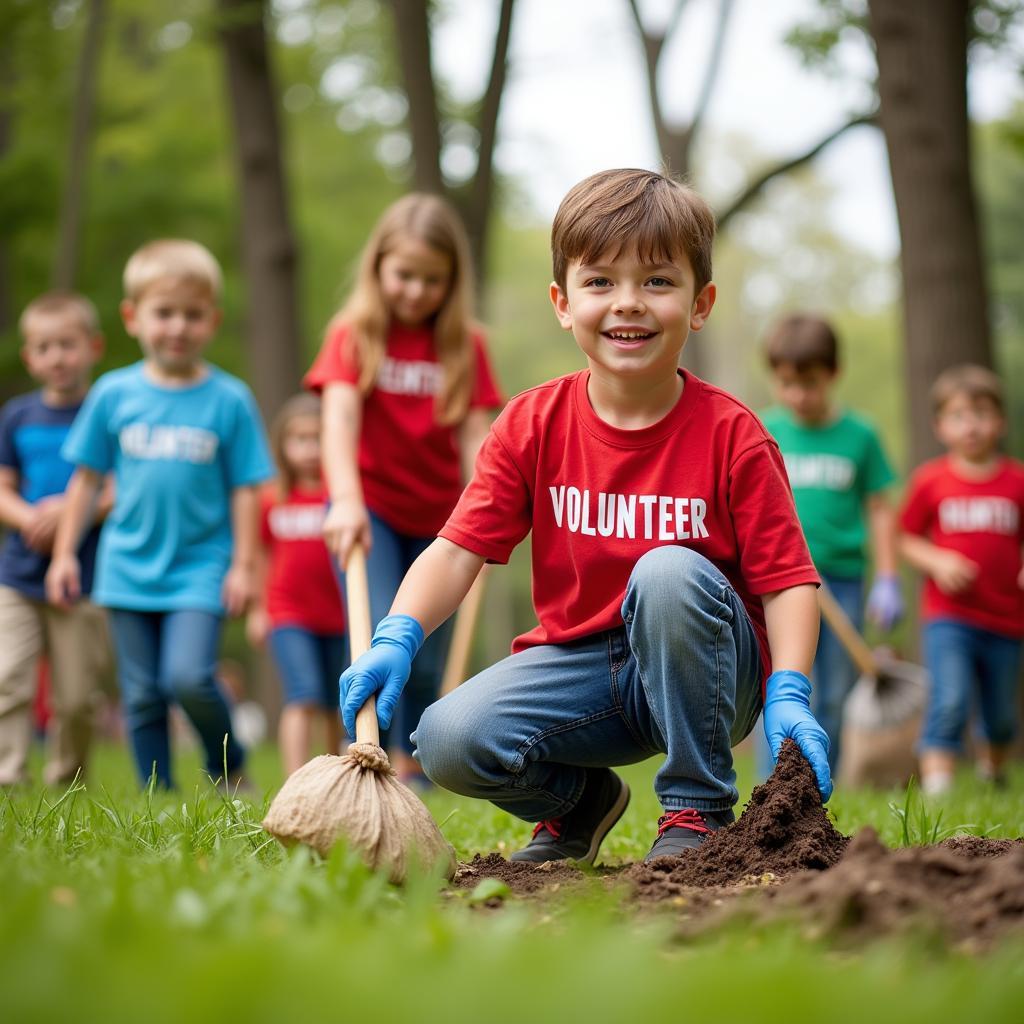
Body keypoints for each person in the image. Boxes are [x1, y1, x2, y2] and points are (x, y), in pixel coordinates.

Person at [339, 168, 831, 865]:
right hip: (587, 672)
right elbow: (456, 550)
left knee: (666, 573)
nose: (627, 303)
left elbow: (787, 581)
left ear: (700, 303)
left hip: (711, 672)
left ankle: (696, 808)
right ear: (563, 303)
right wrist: (397, 636)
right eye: (600, 281)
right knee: (446, 739)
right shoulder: (532, 423)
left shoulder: (734, 436)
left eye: (658, 282)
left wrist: (790, 689)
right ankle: (578, 806)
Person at [46, 240, 273, 789]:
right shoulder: (112, 394)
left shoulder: (229, 399)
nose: (178, 327)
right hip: (125, 566)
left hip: (200, 564)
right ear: (132, 318)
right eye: (163, 313)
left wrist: (245, 565)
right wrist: (63, 555)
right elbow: (86, 480)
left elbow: (246, 489)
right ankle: (158, 797)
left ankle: (229, 765)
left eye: (193, 315)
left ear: (212, 320)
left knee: (188, 676)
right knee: (142, 693)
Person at [305, 193, 502, 783]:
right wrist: (344, 499)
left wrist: (486, 511)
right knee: (377, 631)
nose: (416, 291)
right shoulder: (353, 333)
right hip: (372, 511)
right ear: (378, 268)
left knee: (424, 652)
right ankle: (360, 759)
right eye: (404, 276)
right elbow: (338, 420)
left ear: (452, 280)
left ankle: (415, 771)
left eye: (431, 280)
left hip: (443, 519)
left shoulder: (467, 345)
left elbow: (476, 436)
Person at [760, 314, 901, 774]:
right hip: (780, 581)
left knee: (836, 691)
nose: (798, 395)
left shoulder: (860, 436)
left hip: (841, 578)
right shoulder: (764, 432)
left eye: (810, 383)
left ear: (833, 374)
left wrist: (887, 577)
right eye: (786, 383)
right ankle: (771, 788)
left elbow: (881, 507)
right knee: (780, 682)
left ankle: (824, 784)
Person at [0, 292, 109, 787]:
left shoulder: (105, 412)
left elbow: (117, 490)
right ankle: (9, 774)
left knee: (76, 696)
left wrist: (66, 511)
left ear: (93, 347)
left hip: (84, 577)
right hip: (18, 574)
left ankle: (67, 781)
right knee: (8, 680)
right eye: (45, 347)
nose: (57, 357)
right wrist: (30, 519)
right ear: (30, 357)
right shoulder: (17, 416)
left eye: (68, 345)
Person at [899, 365, 1024, 796]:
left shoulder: (1017, 480)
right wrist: (937, 560)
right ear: (939, 426)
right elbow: (905, 537)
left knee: (1002, 715)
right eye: (958, 416)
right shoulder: (931, 480)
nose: (970, 426)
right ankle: (938, 791)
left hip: (1008, 617)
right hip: (949, 616)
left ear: (1000, 422)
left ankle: (993, 772)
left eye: (981, 414)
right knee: (950, 698)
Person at [247, 393, 347, 777]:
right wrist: (259, 610)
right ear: (283, 445)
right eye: (299, 440)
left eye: (318, 438)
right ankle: (296, 780)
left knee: (334, 703)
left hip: (338, 616)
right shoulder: (272, 499)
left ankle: (331, 776)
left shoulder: (341, 498)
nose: (309, 449)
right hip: (288, 614)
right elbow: (260, 556)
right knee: (302, 694)